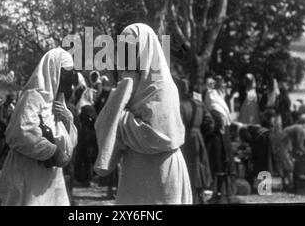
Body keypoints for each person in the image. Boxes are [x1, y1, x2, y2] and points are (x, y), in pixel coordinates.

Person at [96, 23, 191, 204]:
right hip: (136, 168)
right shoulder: (131, 86)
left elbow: (161, 137)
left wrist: (119, 117)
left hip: (160, 170)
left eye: (130, 48)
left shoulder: (162, 86)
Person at [0, 48, 78, 206]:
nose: (68, 79)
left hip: (49, 176)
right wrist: (53, 151)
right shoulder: (33, 97)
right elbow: (21, 134)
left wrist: (68, 121)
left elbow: (69, 144)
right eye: (65, 72)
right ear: (53, 70)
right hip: (27, 172)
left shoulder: (58, 102)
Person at [176, 77, 213, 204]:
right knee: (199, 165)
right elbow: (210, 123)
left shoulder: (179, 105)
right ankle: (200, 195)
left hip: (185, 139)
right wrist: (202, 134)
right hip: (198, 138)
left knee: (188, 167)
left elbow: (177, 124)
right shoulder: (199, 104)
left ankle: (192, 197)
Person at [204, 75, 237, 204]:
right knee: (218, 161)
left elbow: (225, 113)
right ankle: (218, 192)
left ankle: (227, 192)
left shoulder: (220, 95)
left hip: (224, 132)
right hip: (217, 132)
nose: (222, 84)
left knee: (225, 161)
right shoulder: (211, 94)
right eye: (220, 82)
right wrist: (220, 122)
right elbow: (214, 109)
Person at [279, 123, 305, 191]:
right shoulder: (302, 131)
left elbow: (296, 145)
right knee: (289, 165)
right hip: (283, 143)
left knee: (286, 165)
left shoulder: (300, 128)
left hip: (283, 141)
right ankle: (290, 186)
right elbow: (300, 145)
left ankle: (286, 185)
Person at [74, 88, 98, 187]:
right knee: (87, 159)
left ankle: (80, 179)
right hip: (88, 137)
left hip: (82, 136)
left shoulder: (82, 105)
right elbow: (95, 122)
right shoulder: (88, 107)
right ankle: (87, 180)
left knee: (82, 158)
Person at [0, 93, 15, 169]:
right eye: (11, 99)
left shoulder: (11, 107)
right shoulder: (2, 107)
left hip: (9, 131)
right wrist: (7, 124)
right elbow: (0, 118)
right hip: (2, 130)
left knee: (6, 149)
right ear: (8, 99)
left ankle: (3, 165)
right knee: (1, 147)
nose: (12, 100)